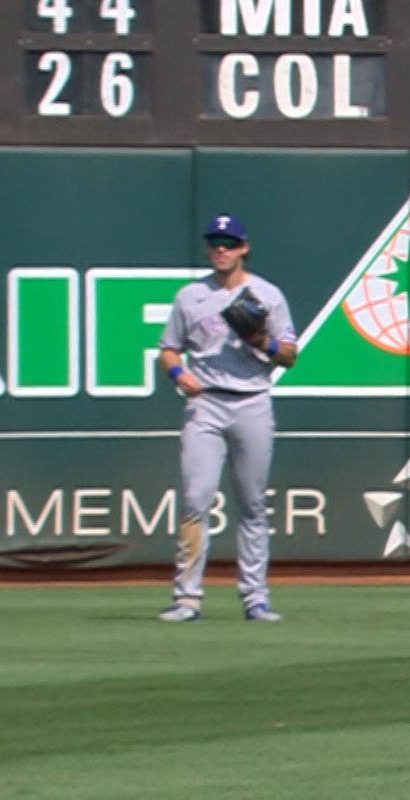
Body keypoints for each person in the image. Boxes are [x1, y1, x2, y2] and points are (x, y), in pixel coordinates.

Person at [154, 214, 298, 623]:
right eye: (215, 242)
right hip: (207, 404)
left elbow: (290, 355)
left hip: (252, 399)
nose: (222, 248)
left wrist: (260, 340)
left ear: (244, 248)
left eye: (229, 242)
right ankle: (187, 598)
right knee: (196, 498)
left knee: (252, 504)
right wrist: (179, 373)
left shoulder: (267, 295)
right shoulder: (190, 296)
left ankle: (256, 598)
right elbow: (167, 348)